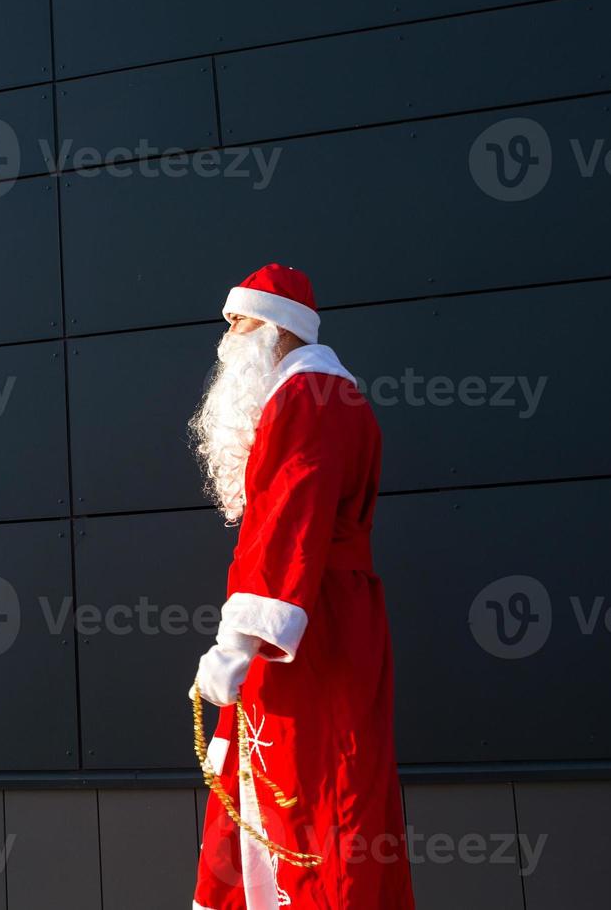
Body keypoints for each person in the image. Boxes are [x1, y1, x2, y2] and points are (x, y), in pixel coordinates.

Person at [188, 265, 415, 910]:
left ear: (275, 329)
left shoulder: (307, 397)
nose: (227, 341)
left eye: (240, 323)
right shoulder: (332, 395)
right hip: (329, 612)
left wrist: (236, 644)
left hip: (310, 627)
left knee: (318, 787)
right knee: (310, 785)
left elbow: (289, 518)